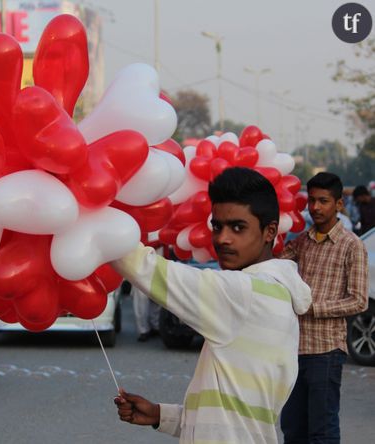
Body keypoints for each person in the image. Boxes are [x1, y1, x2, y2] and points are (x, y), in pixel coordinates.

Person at [112, 167, 311, 444]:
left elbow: (146, 270)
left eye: (238, 227)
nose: (222, 238)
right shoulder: (277, 294)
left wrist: (98, 224)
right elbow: (234, 418)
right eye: (217, 226)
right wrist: (160, 415)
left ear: (270, 232)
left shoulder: (246, 293)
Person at [279, 172, 368, 444]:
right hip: (293, 350)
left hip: (326, 352)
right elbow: (274, 267)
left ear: (339, 204)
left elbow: (359, 300)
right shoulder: (301, 242)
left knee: (323, 431)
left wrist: (312, 308)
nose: (315, 207)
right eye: (312, 201)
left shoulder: (352, 245)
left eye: (323, 201)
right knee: (293, 429)